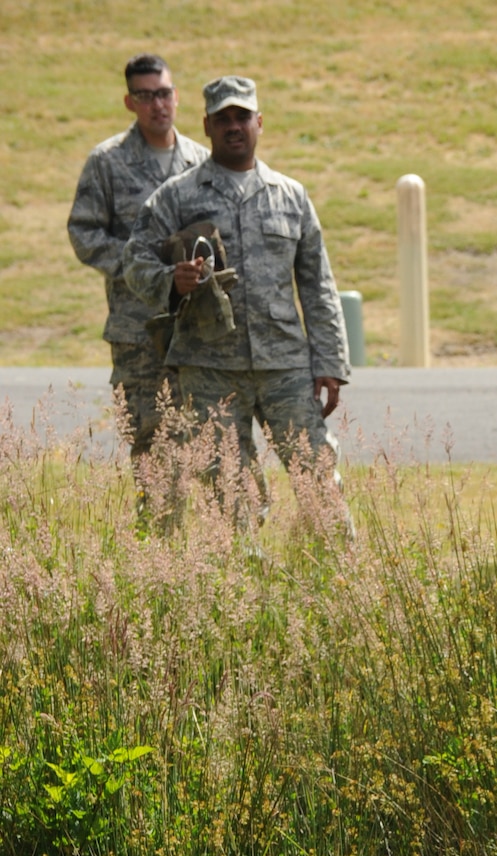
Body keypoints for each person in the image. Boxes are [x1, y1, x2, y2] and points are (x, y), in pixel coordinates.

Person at [123, 76, 350, 513]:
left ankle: (340, 576)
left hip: (283, 365)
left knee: (319, 480)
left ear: (259, 122)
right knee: (227, 495)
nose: (233, 126)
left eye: (242, 117)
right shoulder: (177, 196)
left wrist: (330, 363)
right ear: (206, 126)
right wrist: (172, 279)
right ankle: (243, 579)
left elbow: (318, 285)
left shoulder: (291, 197)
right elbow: (135, 263)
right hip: (209, 368)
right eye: (222, 118)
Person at [67, 55, 208, 469]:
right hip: (138, 329)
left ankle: (206, 533)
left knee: (205, 438)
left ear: (177, 97)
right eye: (145, 96)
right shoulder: (107, 161)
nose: (157, 105)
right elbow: (84, 234)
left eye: (164, 94)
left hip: (197, 327)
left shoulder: (200, 162)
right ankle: (158, 531)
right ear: (130, 102)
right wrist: (144, 269)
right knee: (149, 441)